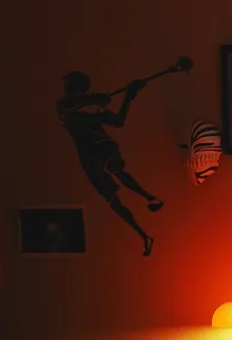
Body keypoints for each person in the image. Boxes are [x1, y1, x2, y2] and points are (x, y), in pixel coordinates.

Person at [57, 71, 161, 256]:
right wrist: (100, 99)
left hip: (101, 146)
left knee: (116, 170)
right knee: (112, 199)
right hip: (88, 157)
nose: (65, 86)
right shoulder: (67, 105)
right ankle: (143, 235)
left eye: (68, 83)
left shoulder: (93, 108)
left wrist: (129, 96)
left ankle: (149, 197)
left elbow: (118, 121)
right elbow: (76, 104)